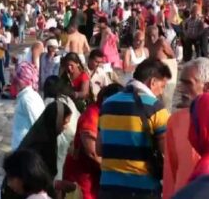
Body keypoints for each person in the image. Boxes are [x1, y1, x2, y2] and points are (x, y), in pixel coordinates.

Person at [98, 58, 171, 199]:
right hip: (142, 189)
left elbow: (99, 149)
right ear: (152, 82)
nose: (161, 92)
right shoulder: (156, 108)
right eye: (162, 86)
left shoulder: (107, 104)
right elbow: (167, 152)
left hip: (108, 187)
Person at [2, 101, 74, 199]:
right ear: (56, 120)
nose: (66, 127)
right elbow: (30, 177)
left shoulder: (48, 136)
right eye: (65, 122)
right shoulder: (40, 143)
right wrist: (55, 185)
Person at [64, 83, 124, 199]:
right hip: (83, 176)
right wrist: (115, 173)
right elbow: (92, 152)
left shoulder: (106, 115)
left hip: (96, 177)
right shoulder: (92, 115)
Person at [162, 58, 209, 199]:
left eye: (188, 83)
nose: (181, 89)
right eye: (181, 82)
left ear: (207, 87)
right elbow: (170, 171)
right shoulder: (175, 121)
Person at [42, 75, 81, 180]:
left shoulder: (48, 102)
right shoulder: (68, 99)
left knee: (57, 165)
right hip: (72, 137)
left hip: (59, 137)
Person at [11, 61, 45, 149]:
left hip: (25, 149)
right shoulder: (26, 95)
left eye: (17, 79)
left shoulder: (28, 98)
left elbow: (39, 124)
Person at [146, 25, 176, 111]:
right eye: (149, 35)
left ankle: (167, 122)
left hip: (166, 75)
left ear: (157, 34)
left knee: (166, 101)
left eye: (153, 35)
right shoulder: (148, 43)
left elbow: (172, 55)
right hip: (155, 75)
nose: (152, 38)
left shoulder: (161, 42)